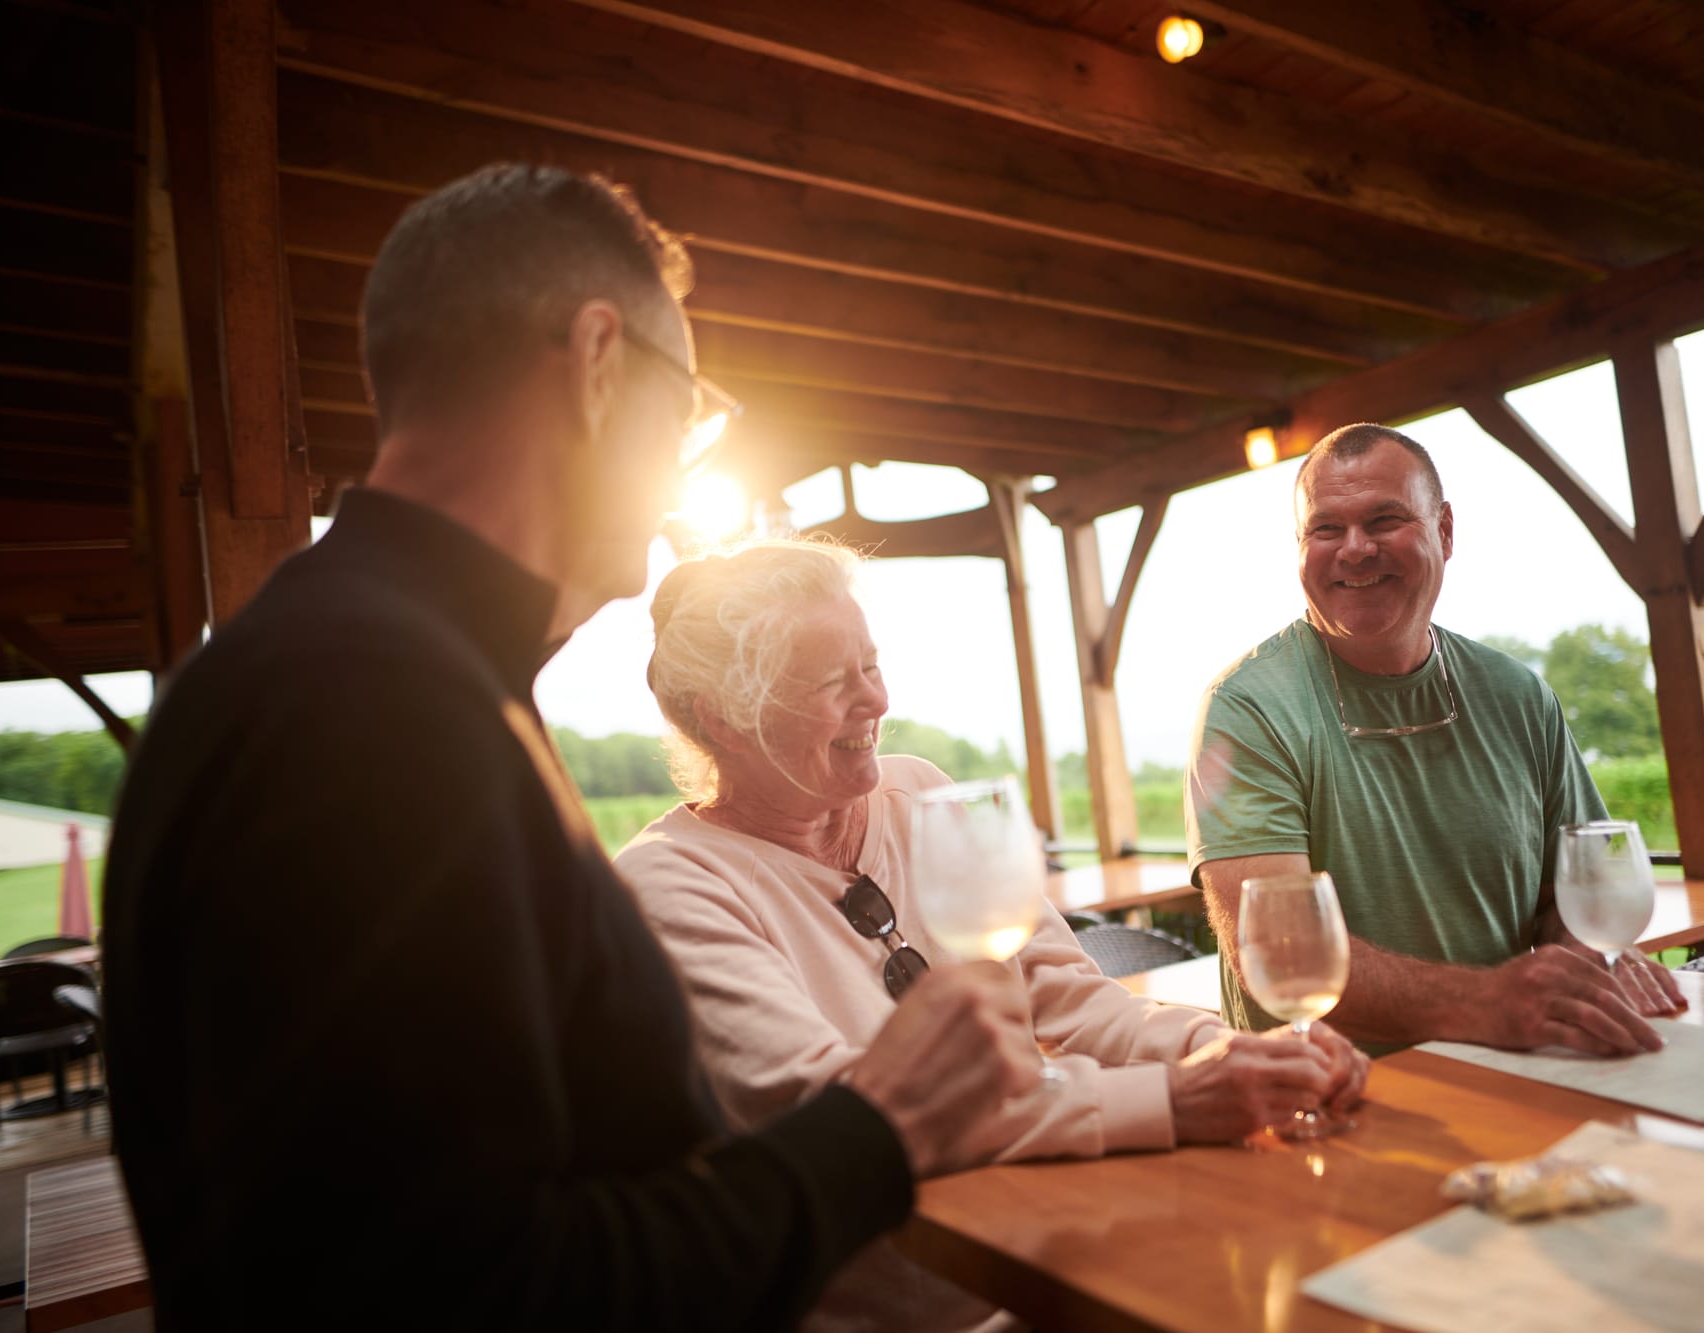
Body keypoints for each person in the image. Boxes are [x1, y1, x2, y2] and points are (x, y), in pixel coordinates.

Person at [99, 164, 1045, 1330]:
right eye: (687, 411)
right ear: (600, 365)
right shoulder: (363, 711)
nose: (679, 468)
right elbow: (471, 1292)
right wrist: (880, 1131)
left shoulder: (373, 671)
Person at [612, 538, 1370, 1333]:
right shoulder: (672, 887)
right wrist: (1174, 1100)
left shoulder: (922, 792)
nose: (876, 698)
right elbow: (852, 1114)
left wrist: (1222, 1049)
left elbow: (1071, 1002)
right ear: (723, 718)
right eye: (834, 681)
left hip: (1055, 1258)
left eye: (871, 664)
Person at [1185, 422, 1686, 1058]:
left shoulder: (1518, 696)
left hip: (1516, 1075)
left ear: (1445, 531)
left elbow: (1583, 893)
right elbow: (1279, 952)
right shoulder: (1248, 707)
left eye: (1384, 520)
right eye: (1327, 528)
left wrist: (1584, 975)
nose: (1355, 549)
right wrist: (1493, 1004)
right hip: (1328, 1093)